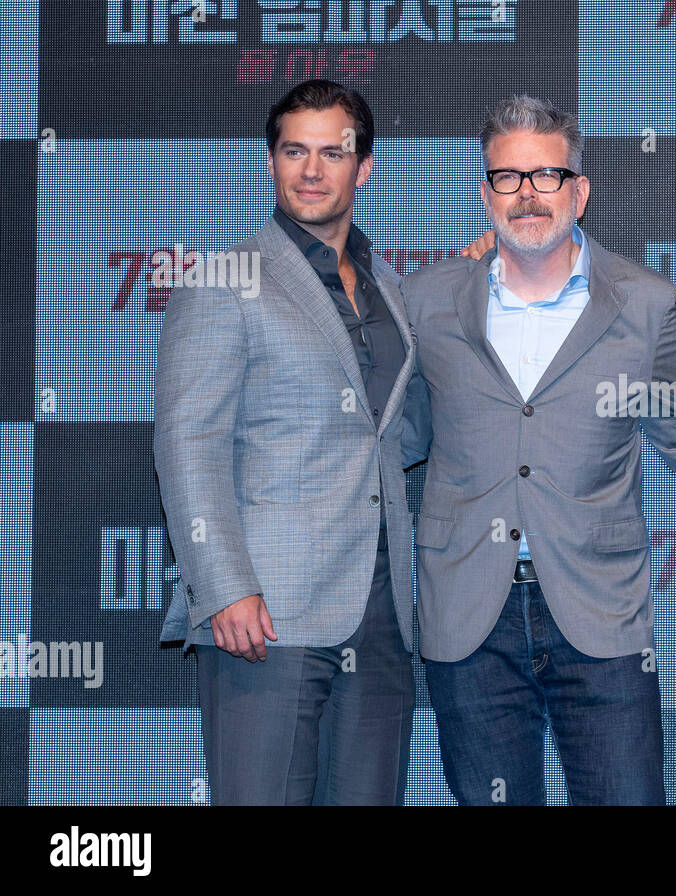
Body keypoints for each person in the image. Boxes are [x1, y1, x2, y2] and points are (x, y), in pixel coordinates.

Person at [401, 95, 676, 806]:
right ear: (485, 195)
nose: (528, 195)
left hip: (600, 613)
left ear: (580, 189)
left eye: (547, 175)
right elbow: (397, 441)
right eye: (508, 178)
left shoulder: (647, 303)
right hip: (469, 615)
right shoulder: (425, 301)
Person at [155, 79, 417, 805]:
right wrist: (224, 586)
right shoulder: (223, 281)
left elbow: (403, 433)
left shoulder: (392, 289)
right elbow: (188, 443)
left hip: (383, 616)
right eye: (293, 150)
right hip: (266, 614)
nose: (311, 169)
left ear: (363, 167)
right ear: (270, 162)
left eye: (332, 152)